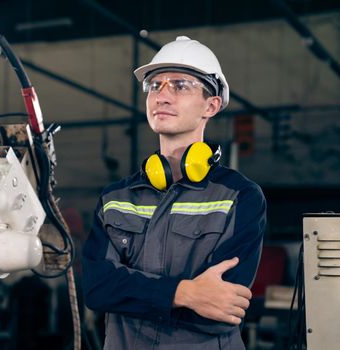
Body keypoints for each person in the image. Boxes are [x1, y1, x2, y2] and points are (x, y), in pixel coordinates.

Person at [82, 36, 266, 349]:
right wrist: (185, 293)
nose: (162, 96)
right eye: (155, 85)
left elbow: (219, 310)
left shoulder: (239, 196)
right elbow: (96, 288)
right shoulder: (116, 198)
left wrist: (130, 292)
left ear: (211, 105)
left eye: (180, 85)